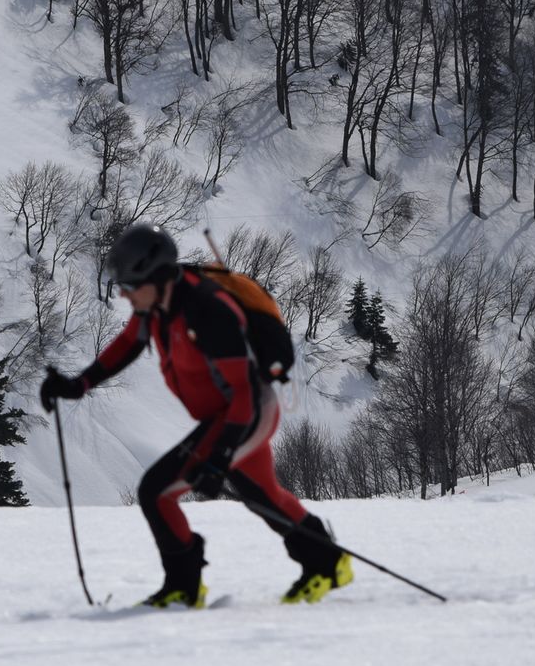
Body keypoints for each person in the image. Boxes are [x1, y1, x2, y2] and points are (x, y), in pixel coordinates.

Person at [40, 224, 352, 608]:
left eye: (129, 285)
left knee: (157, 492)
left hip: (246, 412)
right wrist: (79, 384)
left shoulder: (207, 311)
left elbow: (242, 395)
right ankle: (329, 564)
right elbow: (128, 344)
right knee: (262, 496)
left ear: (155, 278)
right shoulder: (156, 306)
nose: (122, 293)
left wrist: (219, 456)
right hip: (228, 414)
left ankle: (183, 589)